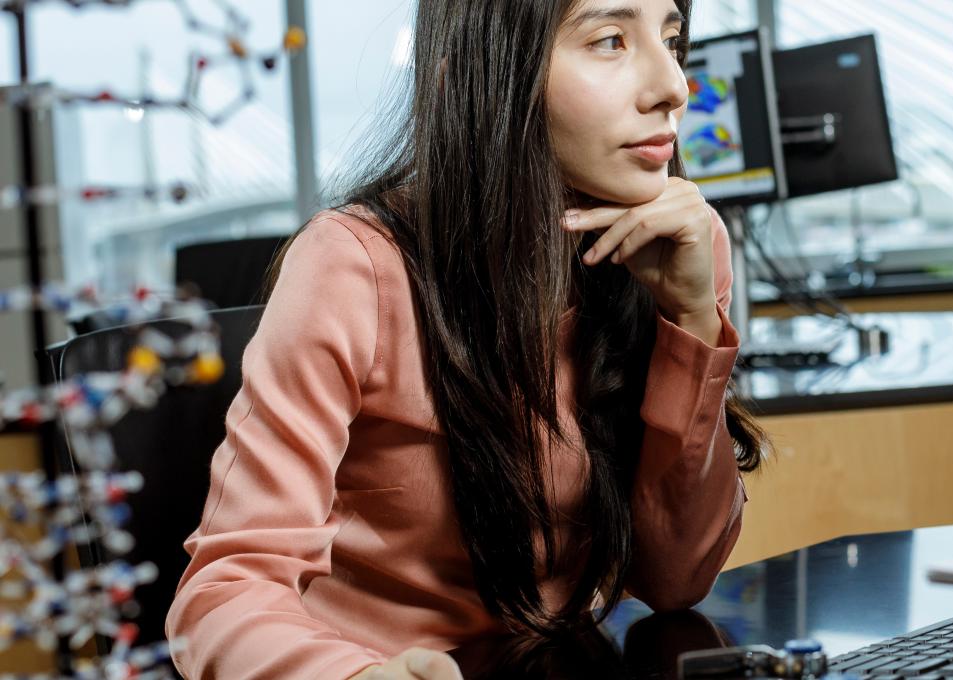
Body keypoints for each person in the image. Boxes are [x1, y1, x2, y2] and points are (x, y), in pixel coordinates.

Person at [164, 0, 765, 677]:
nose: (673, 87)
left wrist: (691, 320)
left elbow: (677, 576)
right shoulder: (355, 264)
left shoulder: (680, 246)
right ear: (488, 78)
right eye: (610, 40)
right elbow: (221, 595)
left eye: (671, 38)